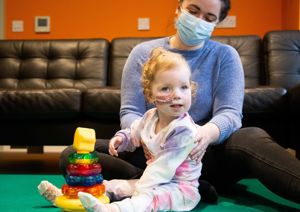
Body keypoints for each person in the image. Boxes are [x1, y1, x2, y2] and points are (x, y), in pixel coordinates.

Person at [52, 0, 300, 205]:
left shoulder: (225, 56)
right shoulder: (142, 54)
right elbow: (130, 111)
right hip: (152, 152)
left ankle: (158, 185)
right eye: (193, 10)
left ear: (218, 22)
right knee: (74, 155)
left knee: (251, 135)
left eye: (209, 16)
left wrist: (203, 136)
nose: (198, 20)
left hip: (204, 153)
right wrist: (149, 137)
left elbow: (230, 114)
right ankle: (168, 186)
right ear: (178, 8)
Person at [78, 47, 201, 211]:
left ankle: (112, 209)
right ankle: (75, 195)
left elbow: (161, 169)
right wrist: (122, 138)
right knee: (117, 186)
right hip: (154, 180)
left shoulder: (183, 130)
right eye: (166, 88)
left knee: (146, 199)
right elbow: (135, 131)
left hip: (179, 190)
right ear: (150, 95)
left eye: (183, 87)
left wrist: (139, 190)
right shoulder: (151, 116)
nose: (177, 95)